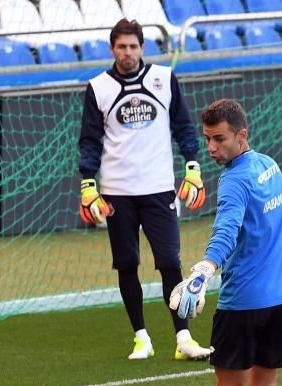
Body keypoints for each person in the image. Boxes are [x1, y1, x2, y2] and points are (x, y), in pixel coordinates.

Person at [168, 99, 282, 386]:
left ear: (242, 135)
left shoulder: (234, 181)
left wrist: (202, 271)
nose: (211, 148)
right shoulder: (270, 166)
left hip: (243, 303)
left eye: (220, 139)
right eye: (207, 139)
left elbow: (226, 231)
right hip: (281, 300)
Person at [78, 19, 213, 362]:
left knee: (170, 261)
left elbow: (183, 126)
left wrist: (193, 165)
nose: (127, 53)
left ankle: (183, 337)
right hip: (116, 192)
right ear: (112, 49)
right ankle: (141, 337)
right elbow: (90, 141)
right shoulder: (98, 88)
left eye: (133, 46)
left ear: (142, 48)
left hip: (158, 188)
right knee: (127, 264)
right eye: (121, 47)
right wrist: (87, 183)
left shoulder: (164, 79)